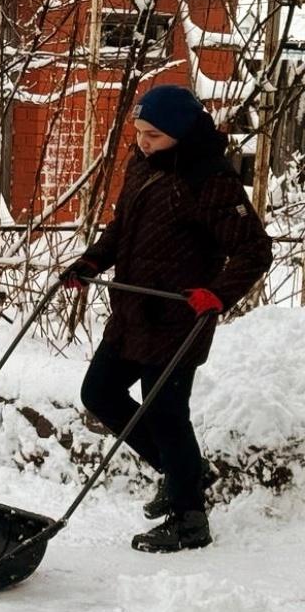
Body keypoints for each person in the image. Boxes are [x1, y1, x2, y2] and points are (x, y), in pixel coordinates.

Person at [62, 84, 271, 553]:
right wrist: (91, 263)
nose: (142, 142)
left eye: (153, 135)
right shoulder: (144, 167)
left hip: (180, 317)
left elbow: (255, 249)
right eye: (139, 133)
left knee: (166, 413)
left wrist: (217, 294)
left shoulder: (210, 180)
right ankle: (184, 474)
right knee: (99, 392)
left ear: (178, 132)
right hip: (133, 312)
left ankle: (189, 518)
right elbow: (123, 229)